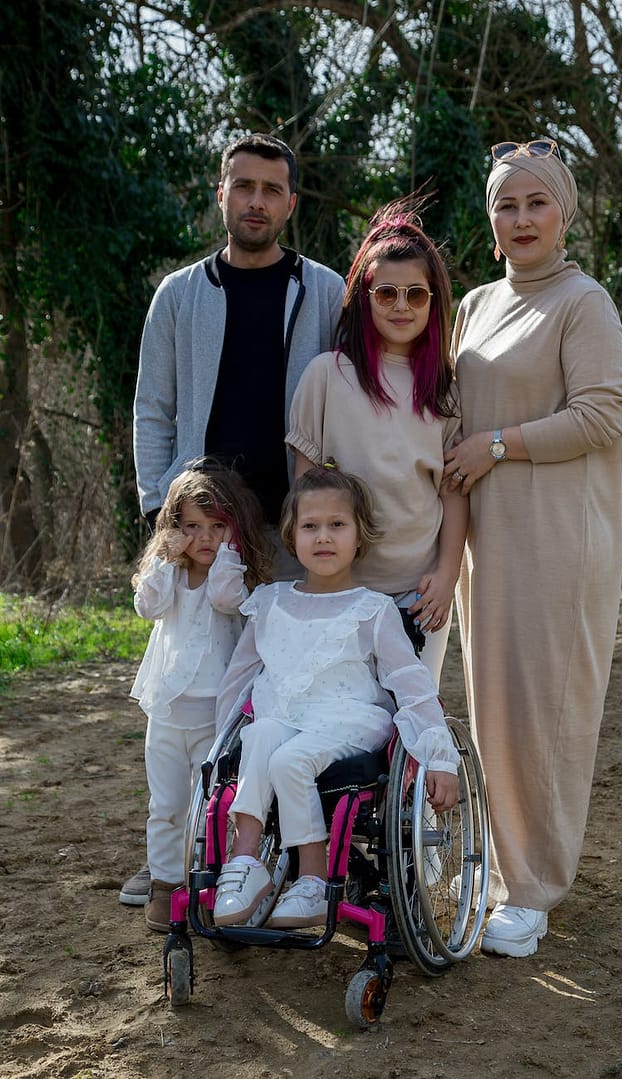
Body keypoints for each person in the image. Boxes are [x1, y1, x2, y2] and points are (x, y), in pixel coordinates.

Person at [124, 132, 345, 906]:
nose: (255, 201)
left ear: (289, 202)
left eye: (270, 189)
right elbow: (152, 407)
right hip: (202, 534)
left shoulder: (322, 291)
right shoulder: (179, 295)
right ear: (220, 194)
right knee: (193, 693)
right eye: (241, 185)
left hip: (289, 530)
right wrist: (165, 516)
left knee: (280, 689)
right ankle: (177, 853)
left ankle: (267, 852)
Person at [443, 138, 622, 958]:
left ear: (563, 214)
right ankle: (498, 871)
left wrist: (494, 446)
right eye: (505, 206)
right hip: (487, 538)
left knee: (546, 711)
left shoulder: (582, 302)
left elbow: (600, 414)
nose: (520, 219)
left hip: (559, 536)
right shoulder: (475, 303)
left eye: (534, 203)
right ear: (490, 225)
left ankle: (535, 889)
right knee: (494, 710)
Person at [211, 464, 460, 929]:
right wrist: (218, 750)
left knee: (288, 761)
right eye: (310, 526)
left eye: (337, 525)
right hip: (284, 718)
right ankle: (244, 864)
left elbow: (411, 682)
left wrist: (439, 756)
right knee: (261, 734)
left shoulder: (373, 609)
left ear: (358, 535)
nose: (323, 537)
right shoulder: (269, 601)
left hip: (348, 720)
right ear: (292, 535)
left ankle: (312, 880)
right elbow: (238, 680)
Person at [286, 200, 467, 684]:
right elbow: (305, 487)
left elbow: (453, 490)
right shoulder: (327, 376)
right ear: (364, 297)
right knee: (346, 721)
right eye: (386, 293)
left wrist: (448, 575)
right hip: (341, 588)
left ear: (434, 301)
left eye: (416, 294)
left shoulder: (444, 390)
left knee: (407, 720)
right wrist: (320, 578)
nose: (402, 306)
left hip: (418, 591)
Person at [129, 460, 272, 931]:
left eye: (217, 528)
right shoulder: (169, 575)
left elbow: (226, 600)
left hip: (216, 712)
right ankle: (166, 884)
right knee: (166, 804)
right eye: (192, 526)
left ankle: (205, 881)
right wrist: (164, 557)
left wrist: (230, 554)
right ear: (174, 528)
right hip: (167, 709)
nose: (204, 538)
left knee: (211, 805)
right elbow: (146, 605)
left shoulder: (232, 576)